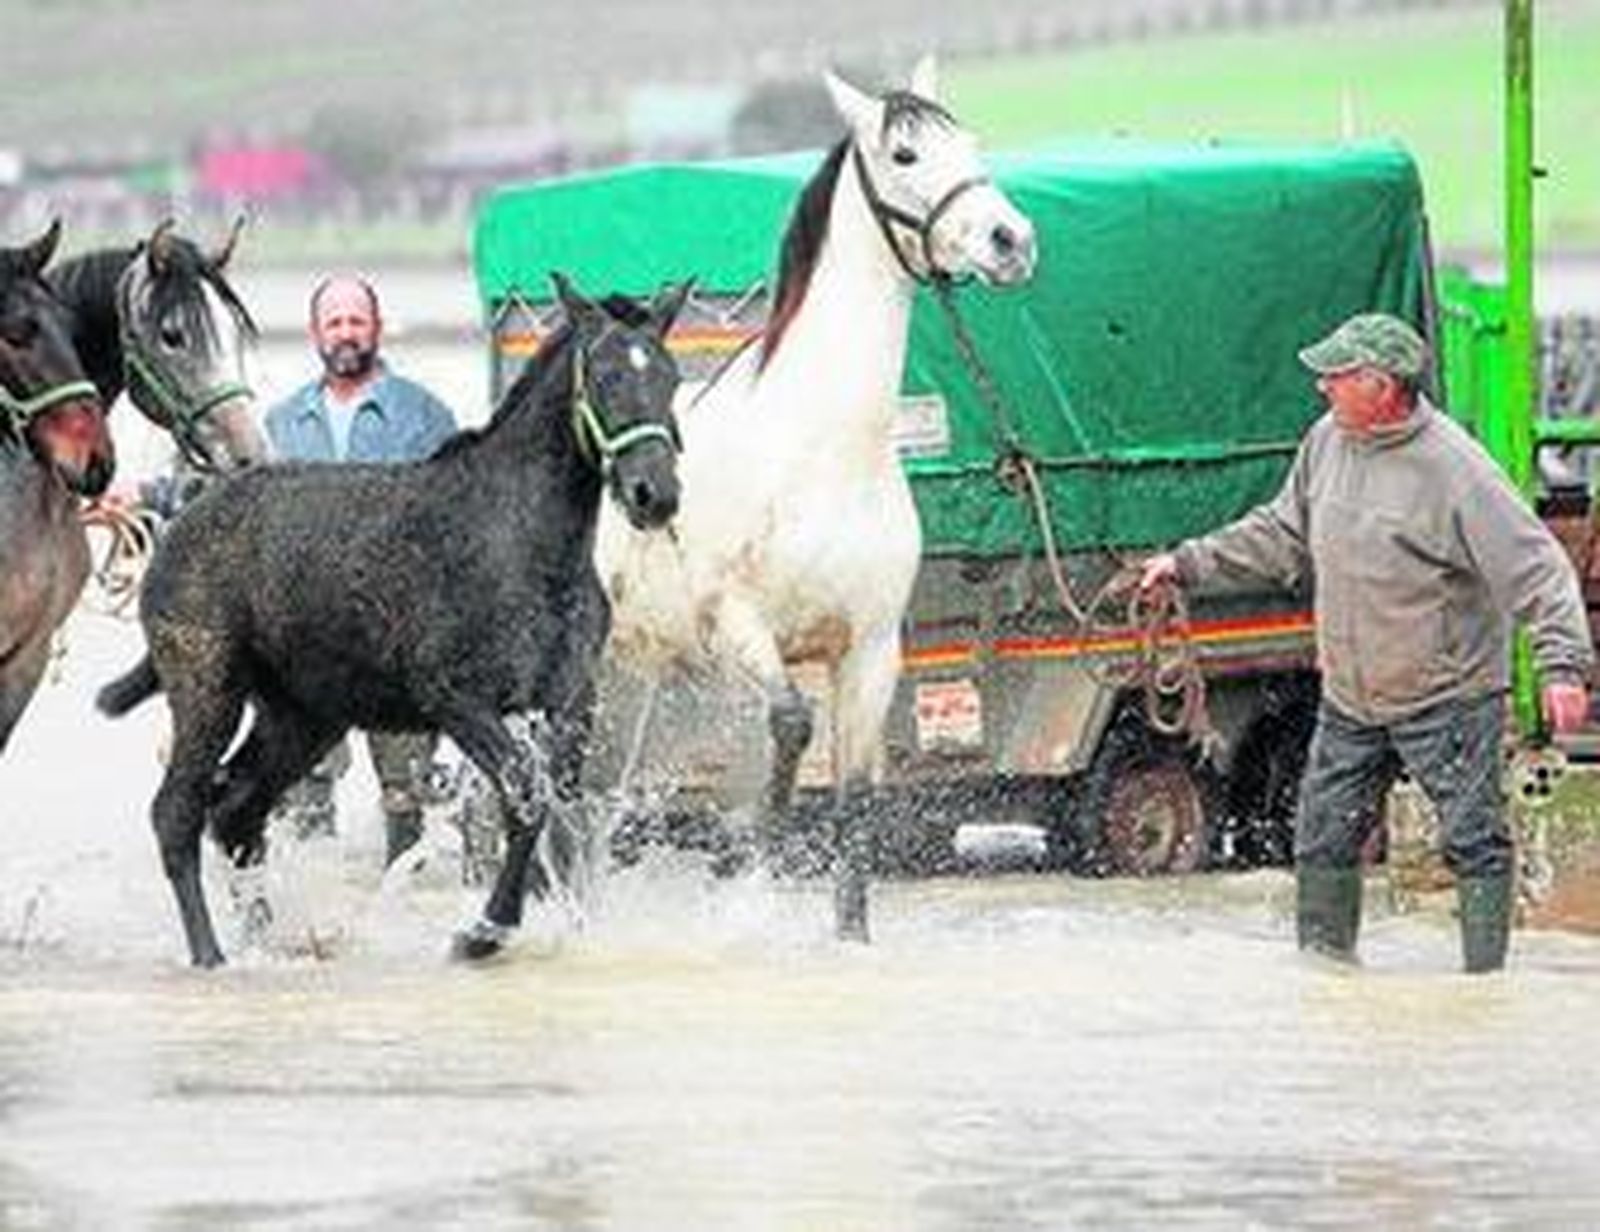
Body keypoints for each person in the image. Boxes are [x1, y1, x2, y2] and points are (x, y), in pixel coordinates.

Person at [1138, 312, 1593, 973]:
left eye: (1337, 375)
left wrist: (1563, 665)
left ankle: (1485, 987)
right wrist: (1188, 563)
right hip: (1352, 697)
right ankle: (1328, 983)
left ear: (1383, 387)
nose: (1322, 386)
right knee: (1321, 837)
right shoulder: (1327, 441)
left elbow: (1539, 568)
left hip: (1448, 697)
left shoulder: (1454, 469)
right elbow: (1280, 531)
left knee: (1474, 842)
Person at [263, 275, 459, 865]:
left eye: (356, 321)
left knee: (406, 794)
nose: (345, 333)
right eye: (334, 323)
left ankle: (404, 922)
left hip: (397, 641)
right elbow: (240, 510)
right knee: (301, 794)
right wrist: (144, 497)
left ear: (375, 327)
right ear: (315, 334)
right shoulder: (281, 423)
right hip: (303, 645)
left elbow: (454, 526)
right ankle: (321, 921)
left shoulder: (426, 416)